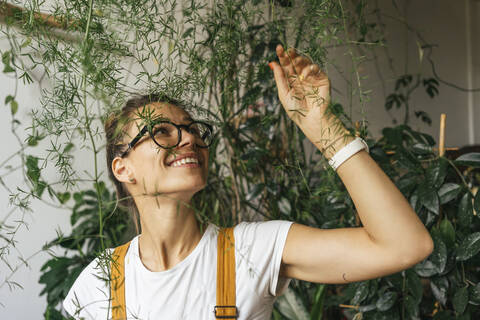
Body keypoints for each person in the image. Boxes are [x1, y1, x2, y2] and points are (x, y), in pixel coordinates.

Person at [62, 44, 434, 319]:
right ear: (123, 168)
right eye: (162, 132)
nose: (189, 139)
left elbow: (404, 246)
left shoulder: (253, 251)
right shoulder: (98, 284)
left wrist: (323, 127)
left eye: (193, 130)